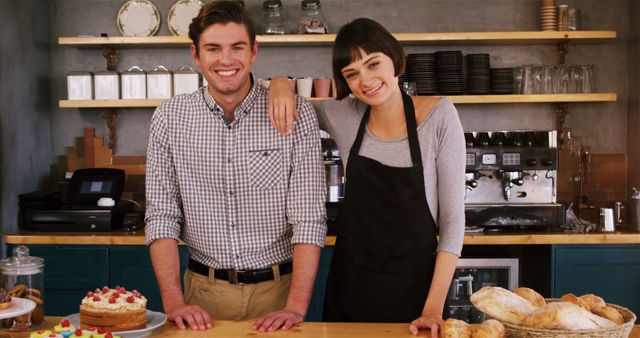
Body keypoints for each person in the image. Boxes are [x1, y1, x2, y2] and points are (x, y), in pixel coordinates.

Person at [268, 18, 465, 337]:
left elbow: (453, 223)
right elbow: (292, 105)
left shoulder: (439, 116)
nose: (366, 81)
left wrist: (432, 308)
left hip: (416, 294)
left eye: (373, 64)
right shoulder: (343, 115)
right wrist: (278, 81)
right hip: (350, 288)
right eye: (352, 74)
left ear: (395, 60)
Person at [145, 1, 326, 332]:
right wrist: (174, 304)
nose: (226, 60)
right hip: (201, 293)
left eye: (237, 47)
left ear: (254, 50)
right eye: (213, 48)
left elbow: (309, 220)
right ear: (196, 54)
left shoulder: (296, 115)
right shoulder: (170, 118)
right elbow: (161, 217)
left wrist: (296, 309)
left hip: (279, 293)